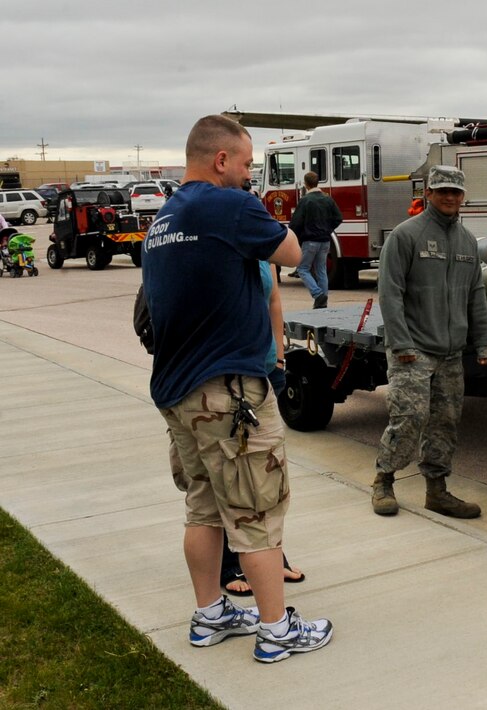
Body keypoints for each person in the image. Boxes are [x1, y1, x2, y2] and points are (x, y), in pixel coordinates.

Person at [143, 114, 332, 663]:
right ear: (220, 160)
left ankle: (210, 615)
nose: (250, 175)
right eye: (247, 164)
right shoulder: (227, 206)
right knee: (256, 513)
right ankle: (276, 631)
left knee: (203, 508)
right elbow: (293, 253)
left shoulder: (166, 218)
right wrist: (270, 214)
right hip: (230, 395)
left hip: (179, 393)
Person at [370, 165, 487, 519]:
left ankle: (436, 490)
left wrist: (483, 341)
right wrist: (402, 344)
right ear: (429, 193)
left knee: (445, 422)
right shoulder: (406, 235)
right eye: (443, 191)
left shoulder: (468, 241)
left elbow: (476, 293)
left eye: (456, 192)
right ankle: (383, 480)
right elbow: (389, 293)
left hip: (451, 353)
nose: (450, 197)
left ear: (463, 196)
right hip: (414, 351)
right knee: (409, 417)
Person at [220, 261, 306, 596]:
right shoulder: (218, 240)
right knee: (233, 472)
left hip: (265, 369)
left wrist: (280, 359)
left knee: (269, 475)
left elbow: (273, 301)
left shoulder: (262, 241)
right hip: (229, 374)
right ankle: (230, 561)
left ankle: (272, 554)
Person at [289, 171, 342, 309]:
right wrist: (328, 229)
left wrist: (295, 237)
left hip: (310, 241)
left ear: (306, 184)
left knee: (302, 269)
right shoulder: (327, 199)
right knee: (321, 270)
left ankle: (318, 294)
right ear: (318, 182)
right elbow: (338, 218)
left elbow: (296, 223)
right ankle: (323, 302)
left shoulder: (305, 201)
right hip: (325, 241)